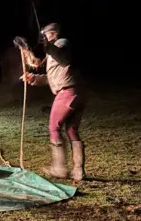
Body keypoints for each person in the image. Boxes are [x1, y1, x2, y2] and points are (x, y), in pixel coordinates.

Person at [21, 23, 86, 182]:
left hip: (67, 92)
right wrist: (34, 79)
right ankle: (78, 171)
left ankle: (59, 168)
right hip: (75, 91)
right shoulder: (53, 51)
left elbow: (64, 60)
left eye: (45, 34)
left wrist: (48, 46)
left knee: (53, 127)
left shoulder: (61, 44)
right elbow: (54, 77)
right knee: (71, 130)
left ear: (54, 33)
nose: (43, 37)